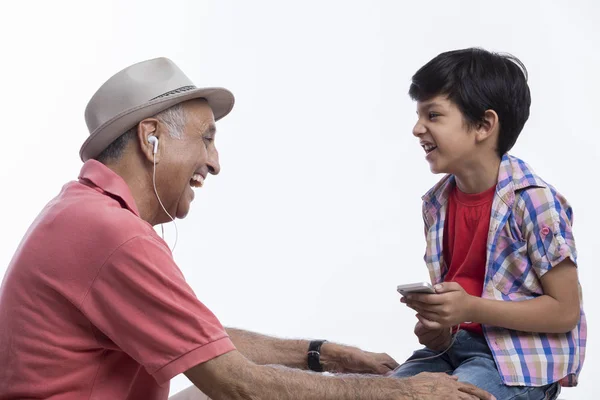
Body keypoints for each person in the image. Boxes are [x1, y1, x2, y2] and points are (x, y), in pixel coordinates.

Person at [0, 57, 493, 400]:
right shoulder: (112, 235)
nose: (214, 163)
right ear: (150, 140)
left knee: (276, 380)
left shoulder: (84, 212)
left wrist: (325, 354)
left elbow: (200, 339)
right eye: (206, 139)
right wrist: (402, 393)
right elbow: (237, 384)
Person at [392, 48, 586, 400]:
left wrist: (471, 308)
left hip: (516, 362)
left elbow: (565, 311)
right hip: (454, 350)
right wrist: (441, 326)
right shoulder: (437, 204)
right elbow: (460, 302)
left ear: (484, 125)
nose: (417, 128)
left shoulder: (534, 202)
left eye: (433, 115)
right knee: (377, 392)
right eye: (419, 115)